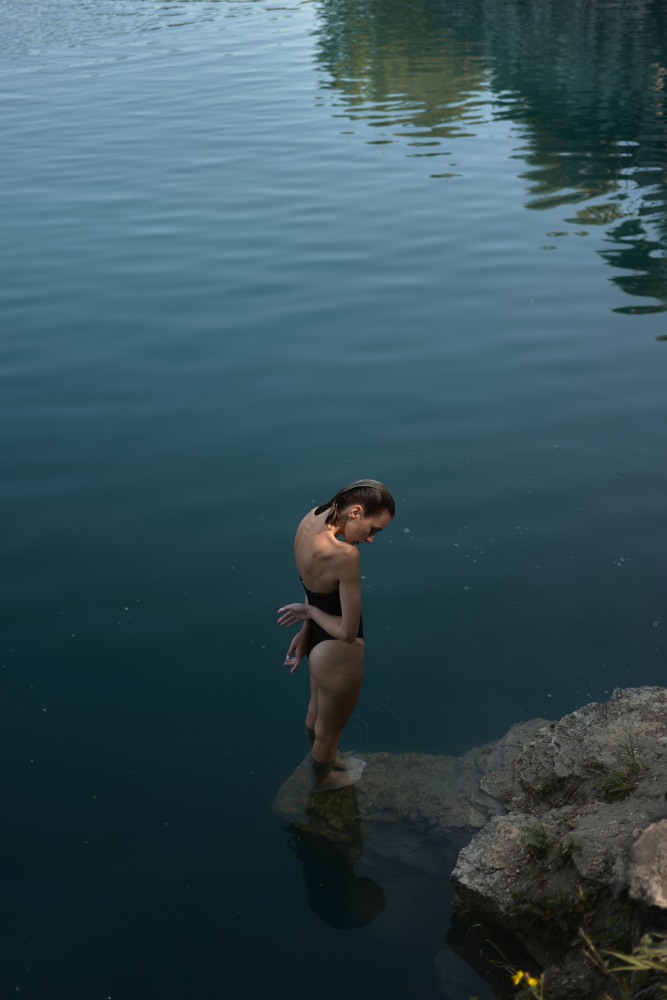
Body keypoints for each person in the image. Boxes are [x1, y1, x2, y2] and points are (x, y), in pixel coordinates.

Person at [277, 479, 395, 792]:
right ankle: (325, 781)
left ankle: (328, 762)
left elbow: (311, 585)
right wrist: (310, 614)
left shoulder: (310, 519)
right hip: (338, 650)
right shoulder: (344, 555)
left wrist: (307, 628)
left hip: (318, 640)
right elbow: (346, 631)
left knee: (314, 716)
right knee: (329, 730)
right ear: (355, 512)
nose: (370, 539)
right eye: (373, 529)